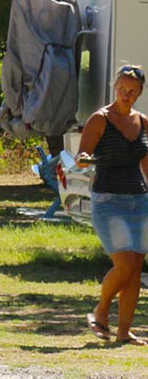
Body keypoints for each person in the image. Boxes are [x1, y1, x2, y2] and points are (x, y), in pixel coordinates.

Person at [80, 64, 148, 344]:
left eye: (132, 91)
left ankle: (123, 333)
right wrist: (83, 158)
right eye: (122, 88)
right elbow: (83, 152)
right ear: (114, 86)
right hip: (108, 199)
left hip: (140, 201)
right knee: (124, 264)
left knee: (135, 268)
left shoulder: (143, 121)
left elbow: (146, 162)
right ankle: (101, 310)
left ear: (140, 92)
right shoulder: (100, 119)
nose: (126, 94)